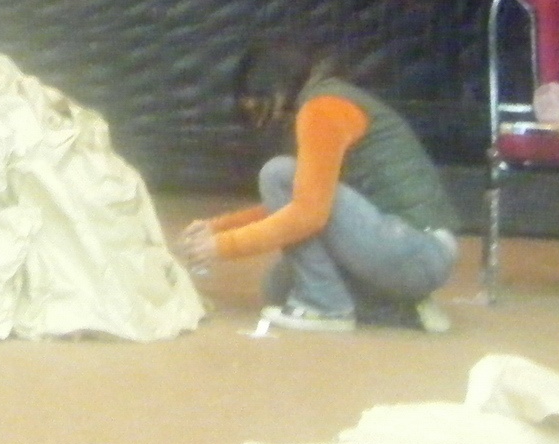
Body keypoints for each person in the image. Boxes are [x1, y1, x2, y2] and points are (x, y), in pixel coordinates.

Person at [175, 39, 458, 333]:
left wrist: (221, 245)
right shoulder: (327, 100)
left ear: (275, 89)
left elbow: (308, 214)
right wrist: (217, 228)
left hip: (418, 250)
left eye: (258, 102)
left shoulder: (323, 108)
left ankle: (325, 308)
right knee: (280, 287)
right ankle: (398, 309)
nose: (261, 116)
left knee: (277, 174)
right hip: (412, 250)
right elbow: (303, 202)